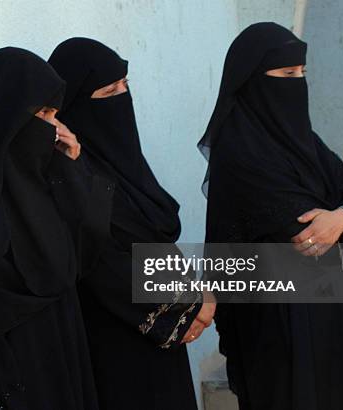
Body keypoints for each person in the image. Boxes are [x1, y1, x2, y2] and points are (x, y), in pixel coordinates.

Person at [199, 22, 343, 410]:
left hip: (337, 313)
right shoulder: (239, 152)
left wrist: (342, 217)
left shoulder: (301, 140)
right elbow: (301, 230)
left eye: (302, 73)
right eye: (286, 74)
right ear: (253, 82)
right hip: (283, 324)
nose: (297, 83)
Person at [49, 38, 213, 410]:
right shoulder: (70, 174)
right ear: (74, 106)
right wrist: (187, 301)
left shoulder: (125, 166)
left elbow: (151, 233)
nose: (123, 97)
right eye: (109, 91)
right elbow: (100, 260)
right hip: (115, 338)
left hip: (164, 335)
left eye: (126, 85)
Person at [0, 47, 107, 410]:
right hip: (14, 374)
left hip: (65, 353)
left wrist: (74, 167)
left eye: (55, 114)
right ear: (7, 117)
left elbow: (85, 251)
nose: (51, 127)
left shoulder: (45, 182)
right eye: (42, 114)